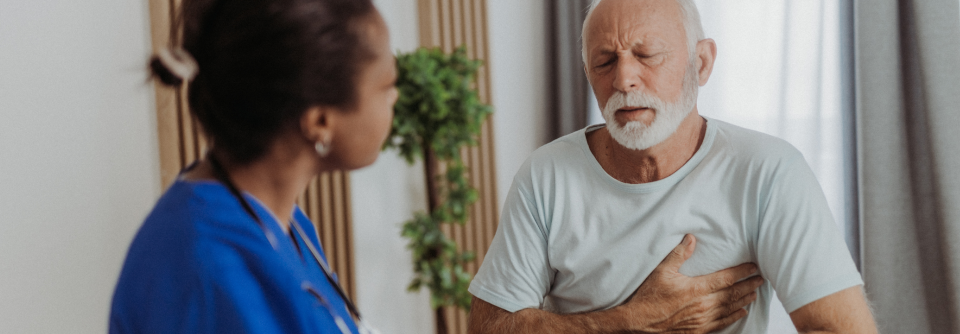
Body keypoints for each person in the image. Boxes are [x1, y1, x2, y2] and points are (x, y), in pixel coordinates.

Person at [467, 0, 879, 333]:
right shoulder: (545, 176)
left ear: (700, 64)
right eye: (605, 61)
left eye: (647, 55)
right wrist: (628, 322)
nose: (624, 78)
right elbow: (490, 328)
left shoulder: (768, 171)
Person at [109, 0, 397, 332]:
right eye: (387, 86)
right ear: (320, 121)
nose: (395, 98)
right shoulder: (209, 269)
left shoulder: (280, 221)